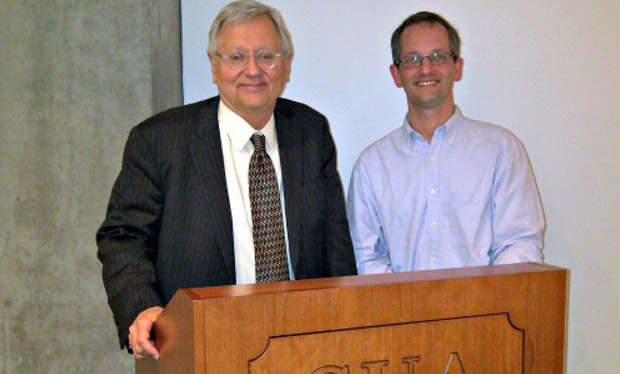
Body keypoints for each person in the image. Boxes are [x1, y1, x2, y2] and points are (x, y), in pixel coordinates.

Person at [97, 0, 356, 360]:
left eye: (266, 55)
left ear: (286, 65)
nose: (253, 70)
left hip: (304, 343)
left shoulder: (311, 132)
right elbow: (123, 237)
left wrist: (350, 325)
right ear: (214, 67)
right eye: (236, 57)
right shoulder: (159, 140)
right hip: (200, 343)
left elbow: (336, 244)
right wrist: (142, 308)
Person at [347, 11, 544, 275]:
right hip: (402, 314)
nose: (425, 69)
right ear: (396, 74)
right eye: (412, 59)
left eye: (438, 57)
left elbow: (520, 244)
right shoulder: (371, 166)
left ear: (457, 67)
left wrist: (479, 302)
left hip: (487, 312)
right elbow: (366, 257)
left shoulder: (501, 151)